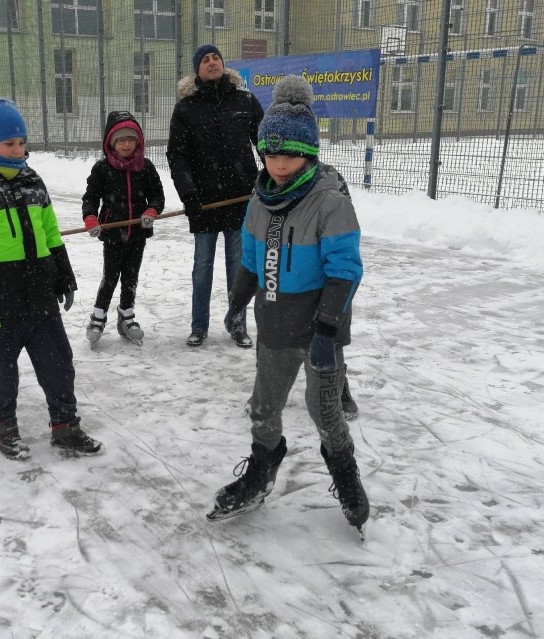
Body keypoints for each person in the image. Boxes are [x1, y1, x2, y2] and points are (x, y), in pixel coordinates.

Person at [207, 75, 369, 535]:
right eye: (271, 153)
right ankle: (263, 465)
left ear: (310, 153)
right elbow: (253, 259)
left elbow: (345, 270)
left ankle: (345, 474)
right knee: (264, 406)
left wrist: (326, 329)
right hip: (274, 321)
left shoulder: (328, 201)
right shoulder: (260, 199)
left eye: (290, 154)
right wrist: (238, 301)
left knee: (325, 412)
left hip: (318, 326)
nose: (279, 164)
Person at [0, 98, 102, 459]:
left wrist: (64, 275)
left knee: (59, 365)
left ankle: (65, 427)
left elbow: (51, 232)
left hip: (39, 294)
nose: (18, 150)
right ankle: (4, 429)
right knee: (1, 373)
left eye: (22, 142)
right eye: (10, 143)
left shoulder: (31, 180)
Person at [166, 44, 264, 348]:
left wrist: (271, 177)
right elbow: (177, 156)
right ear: (197, 70)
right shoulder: (186, 108)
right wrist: (189, 196)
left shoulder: (244, 100)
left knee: (238, 267)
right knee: (202, 268)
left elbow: (265, 141)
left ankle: (237, 324)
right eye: (205, 60)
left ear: (223, 64)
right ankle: (199, 326)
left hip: (240, 199)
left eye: (216, 58)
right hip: (204, 202)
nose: (212, 63)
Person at [81, 111, 165, 347]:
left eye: (131, 139)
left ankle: (126, 317)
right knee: (110, 277)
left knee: (131, 277)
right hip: (113, 234)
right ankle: (97, 319)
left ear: (138, 141)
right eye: (121, 140)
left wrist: (151, 211)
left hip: (137, 233)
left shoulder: (145, 167)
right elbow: (91, 197)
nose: (126, 144)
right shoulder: (102, 169)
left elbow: (157, 196)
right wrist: (90, 217)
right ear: (111, 143)